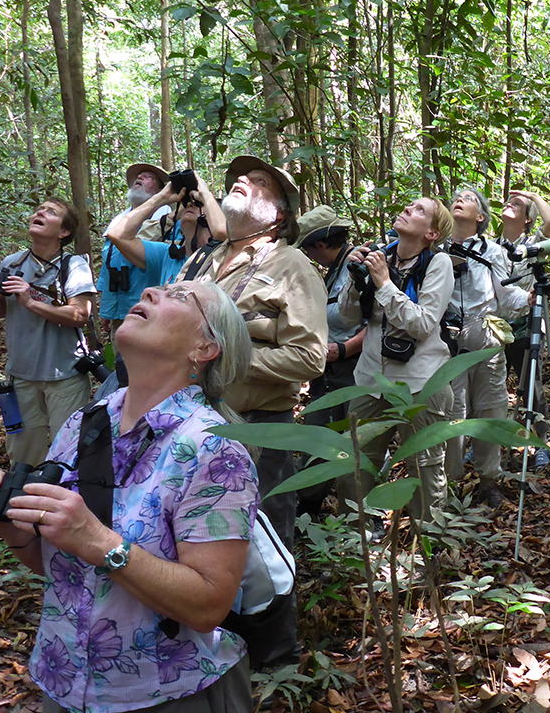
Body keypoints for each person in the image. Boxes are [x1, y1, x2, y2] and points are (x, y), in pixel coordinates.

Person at [0, 281, 258, 712]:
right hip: (64, 683)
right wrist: (12, 527)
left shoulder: (215, 449)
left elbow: (208, 606)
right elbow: (64, 569)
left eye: (181, 297)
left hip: (167, 692)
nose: (150, 291)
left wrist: (99, 541)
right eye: (158, 288)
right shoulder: (86, 422)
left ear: (205, 349)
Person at [175, 155, 328, 666]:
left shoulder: (292, 265)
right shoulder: (200, 260)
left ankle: (275, 661)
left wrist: (227, 359)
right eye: (239, 179)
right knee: (194, 537)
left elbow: (308, 355)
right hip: (187, 427)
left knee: (261, 547)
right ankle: (208, 650)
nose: (243, 182)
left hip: (258, 431)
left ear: (279, 215)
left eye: (259, 183)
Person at [337, 197, 457, 518]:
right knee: (354, 463)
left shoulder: (437, 264)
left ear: (432, 233)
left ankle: (428, 552)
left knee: (424, 469)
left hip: (419, 385)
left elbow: (423, 323)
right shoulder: (382, 257)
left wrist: (384, 283)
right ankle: (357, 541)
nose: (407, 210)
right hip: (370, 381)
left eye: (419, 211)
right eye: (408, 206)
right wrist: (355, 277)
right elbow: (348, 319)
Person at [0, 198, 95, 469]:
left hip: (65, 375)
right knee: (23, 456)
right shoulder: (13, 263)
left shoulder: (74, 266)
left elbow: (80, 315)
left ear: (64, 232)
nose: (40, 213)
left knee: (67, 455)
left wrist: (31, 302)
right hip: (21, 376)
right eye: (39, 210)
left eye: (51, 212)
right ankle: (21, 505)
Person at [443, 187, 530, 507]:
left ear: (480, 217)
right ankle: (448, 484)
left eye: (468, 198)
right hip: (447, 342)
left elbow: (507, 298)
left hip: (487, 336)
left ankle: (489, 481)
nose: (459, 199)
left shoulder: (493, 251)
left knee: (491, 408)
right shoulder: (436, 247)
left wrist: (529, 299)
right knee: (452, 414)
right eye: (457, 196)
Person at [295, 205, 366, 517]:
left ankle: (356, 514)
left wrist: (344, 349)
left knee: (344, 439)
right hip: (327, 368)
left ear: (320, 246)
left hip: (351, 368)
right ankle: (307, 506)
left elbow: (379, 323)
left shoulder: (357, 266)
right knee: (320, 437)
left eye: (310, 250)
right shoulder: (334, 270)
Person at [499, 189, 550, 468]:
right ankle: (487, 442)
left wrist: (531, 195)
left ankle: (542, 441)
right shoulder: (491, 246)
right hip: (496, 328)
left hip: (526, 325)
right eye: (509, 201)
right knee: (491, 388)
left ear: (526, 219)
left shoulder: (533, 243)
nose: (510, 204)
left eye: (517, 204)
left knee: (532, 388)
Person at [105, 169, 227, 287]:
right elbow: (118, 235)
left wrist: (206, 195)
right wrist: (161, 197)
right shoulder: (167, 256)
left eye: (198, 204)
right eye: (189, 203)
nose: (190, 205)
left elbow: (222, 232)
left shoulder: (224, 256)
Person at [97, 164, 171, 339]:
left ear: (161, 190)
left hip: (150, 312)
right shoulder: (118, 220)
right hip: (119, 311)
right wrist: (107, 310)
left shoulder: (166, 219)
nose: (140, 178)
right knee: (122, 363)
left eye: (147, 177)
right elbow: (108, 265)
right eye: (139, 176)